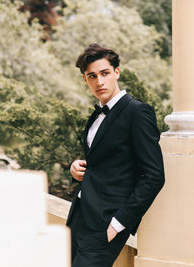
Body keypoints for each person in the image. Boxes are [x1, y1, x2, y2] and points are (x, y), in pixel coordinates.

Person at [66, 43, 165, 267]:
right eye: (92, 76)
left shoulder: (138, 112)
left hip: (105, 224)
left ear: (117, 72)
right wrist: (77, 169)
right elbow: (102, 163)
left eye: (105, 73)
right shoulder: (95, 116)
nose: (99, 82)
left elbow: (154, 176)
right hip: (79, 216)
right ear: (85, 79)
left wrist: (118, 224)